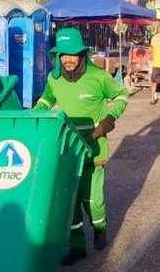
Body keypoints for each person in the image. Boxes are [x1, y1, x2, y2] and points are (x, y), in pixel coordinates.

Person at [32, 28, 128, 266]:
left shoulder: (98, 77)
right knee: (71, 202)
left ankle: (100, 226)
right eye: (63, 55)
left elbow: (122, 95)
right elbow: (46, 100)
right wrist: (35, 114)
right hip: (67, 150)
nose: (68, 59)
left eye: (72, 54)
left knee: (92, 200)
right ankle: (77, 246)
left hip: (94, 148)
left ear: (82, 54)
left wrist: (110, 119)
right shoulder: (54, 78)